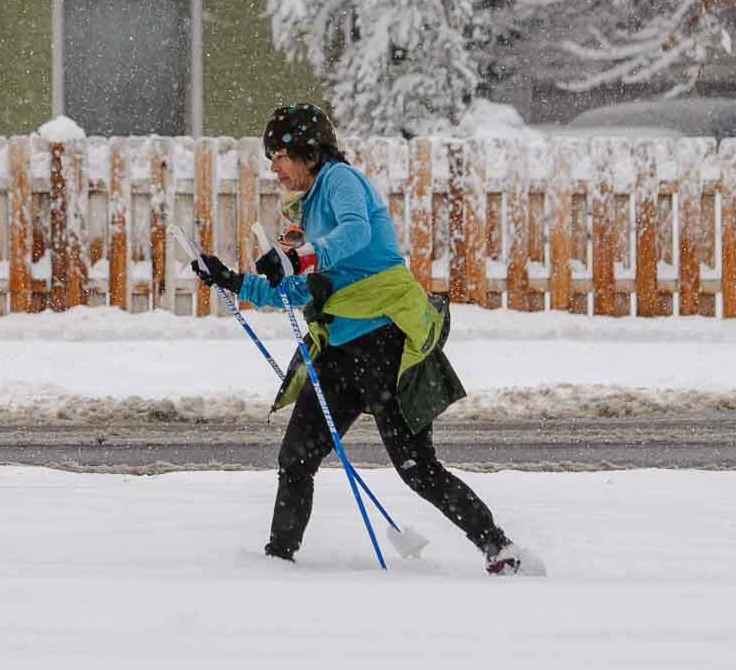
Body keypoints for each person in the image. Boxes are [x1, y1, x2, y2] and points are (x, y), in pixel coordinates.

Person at [190, 103, 545, 575]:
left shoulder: (341, 180)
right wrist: (233, 281)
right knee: (296, 456)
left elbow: (355, 234)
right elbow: (296, 290)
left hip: (385, 343)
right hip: (338, 351)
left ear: (308, 151)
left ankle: (498, 547)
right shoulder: (306, 211)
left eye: (278, 155)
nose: (272, 167)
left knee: (416, 468)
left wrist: (299, 258)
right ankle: (277, 561)